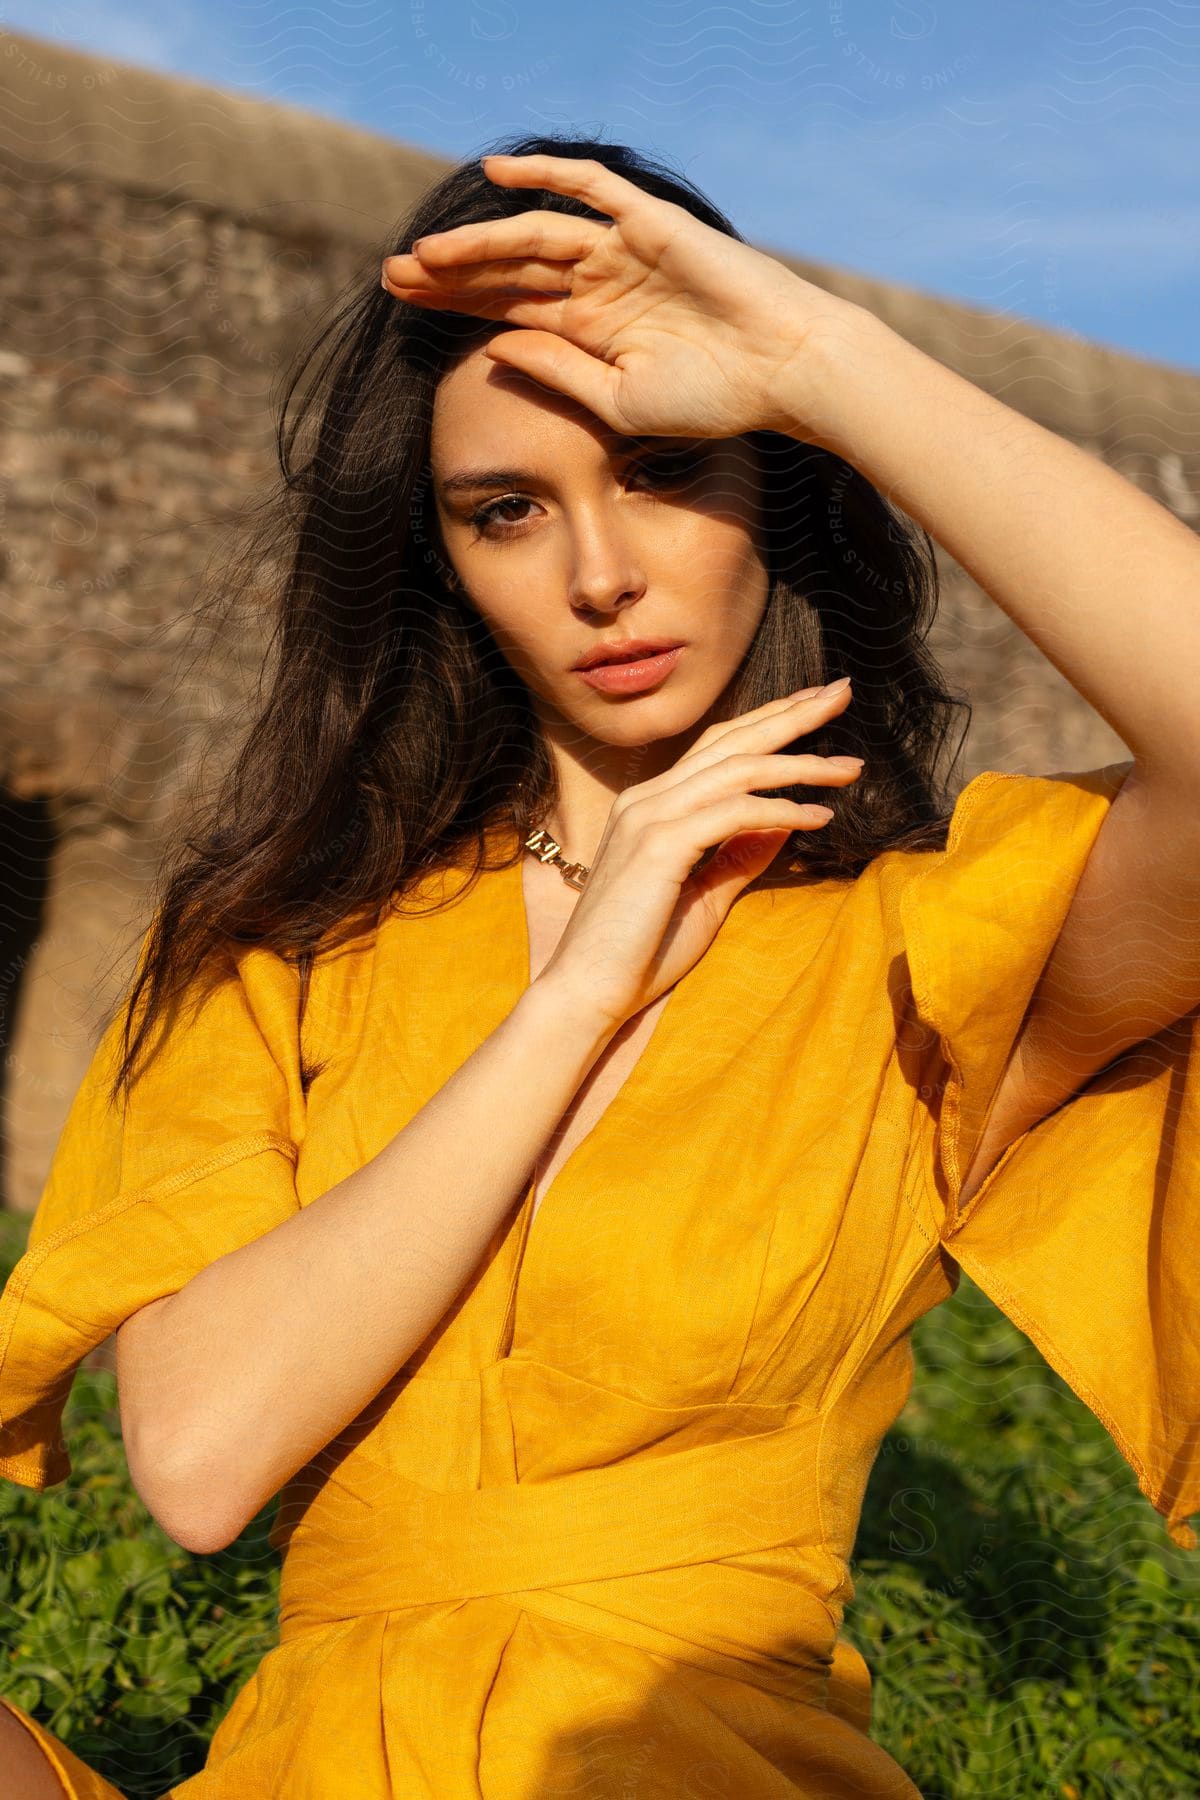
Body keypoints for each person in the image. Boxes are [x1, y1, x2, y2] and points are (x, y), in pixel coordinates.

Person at [0, 129, 1197, 1799]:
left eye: (663, 471)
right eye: (507, 511)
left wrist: (813, 357)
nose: (600, 573)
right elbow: (199, 1465)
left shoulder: (922, 954)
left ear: (768, 496)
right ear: (445, 570)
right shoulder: (287, 944)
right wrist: (577, 994)